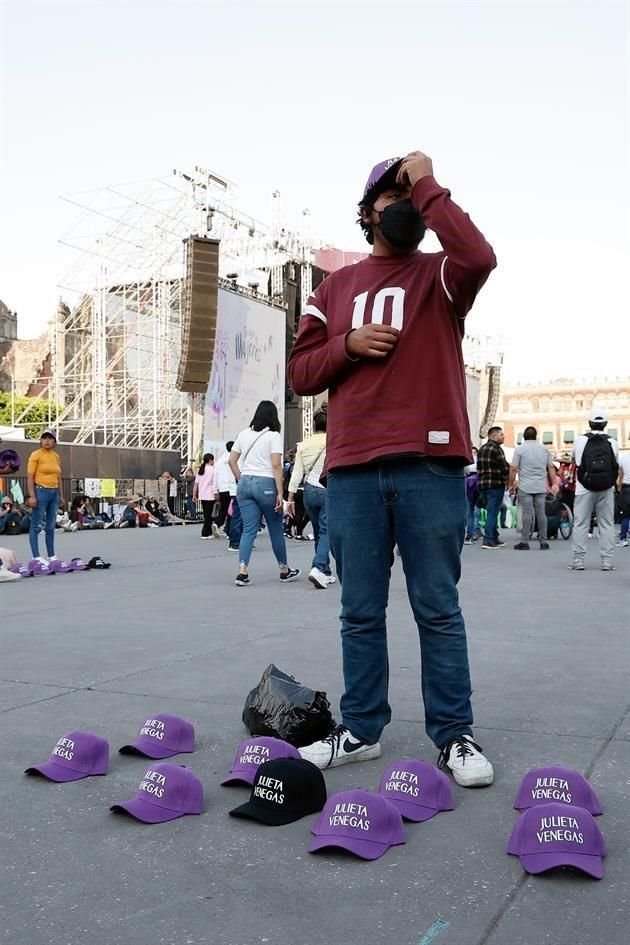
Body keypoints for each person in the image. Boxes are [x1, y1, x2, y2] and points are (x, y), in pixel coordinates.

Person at [287, 151, 496, 786]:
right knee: (359, 611)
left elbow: (481, 256)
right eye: (396, 196)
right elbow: (300, 373)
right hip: (351, 471)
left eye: (414, 196)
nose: (407, 206)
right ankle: (361, 729)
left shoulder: (442, 275)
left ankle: (455, 737)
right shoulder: (332, 289)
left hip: (430, 466)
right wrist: (345, 347)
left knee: (438, 608)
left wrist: (428, 181)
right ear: (368, 212)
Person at [228, 400, 300, 587]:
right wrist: (280, 492)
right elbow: (276, 464)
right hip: (266, 484)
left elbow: (232, 460)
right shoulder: (273, 436)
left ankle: (242, 571)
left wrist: (240, 478)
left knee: (248, 529)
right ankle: (284, 570)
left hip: (245, 483)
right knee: (275, 529)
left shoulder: (243, 434)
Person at [287, 406, 335, 588]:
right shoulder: (333, 441)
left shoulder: (303, 445)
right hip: (327, 489)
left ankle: (325, 572)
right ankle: (318, 567)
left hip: (308, 491)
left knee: (318, 531)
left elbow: (296, 474)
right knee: (326, 532)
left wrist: (290, 499)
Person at [569, 410, 619, 571]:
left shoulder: (580, 440)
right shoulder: (612, 441)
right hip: (606, 486)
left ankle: (578, 560)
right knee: (606, 524)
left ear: (589, 423)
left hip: (584, 487)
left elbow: (574, 460)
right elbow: (615, 464)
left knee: (581, 524)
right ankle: (607, 561)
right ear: (605, 425)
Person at [508, 426, 557, 550]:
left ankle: (524, 541)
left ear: (524, 436)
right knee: (541, 513)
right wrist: (554, 483)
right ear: (536, 436)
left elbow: (513, 468)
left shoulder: (520, 450)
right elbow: (551, 467)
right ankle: (543, 541)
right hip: (540, 485)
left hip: (525, 485)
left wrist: (511, 483)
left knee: (527, 512)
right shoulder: (544, 449)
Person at [26, 429, 62, 563]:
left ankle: (52, 555)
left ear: (54, 441)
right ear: (40, 441)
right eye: (44, 438)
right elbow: (30, 476)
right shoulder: (36, 455)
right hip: (40, 491)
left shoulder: (56, 456)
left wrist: (61, 495)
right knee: (36, 525)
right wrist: (32, 496)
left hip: (54, 493)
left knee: (51, 526)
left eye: (50, 438)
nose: (47, 441)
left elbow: (59, 477)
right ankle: (36, 556)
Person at [477, 427, 509, 549]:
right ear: (494, 436)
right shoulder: (497, 449)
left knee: (492, 511)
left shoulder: (481, 449)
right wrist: (508, 479)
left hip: (483, 484)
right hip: (495, 484)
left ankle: (494, 537)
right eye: (501, 434)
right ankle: (489, 539)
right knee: (493, 512)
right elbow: (504, 468)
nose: (503, 436)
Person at [193, 455, 218, 540]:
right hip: (210, 495)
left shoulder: (200, 470)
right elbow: (215, 483)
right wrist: (217, 493)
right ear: (210, 460)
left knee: (206, 514)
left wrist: (194, 495)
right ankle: (205, 533)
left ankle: (208, 532)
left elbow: (196, 484)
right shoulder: (213, 470)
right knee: (209, 515)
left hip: (202, 495)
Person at [214, 442, 236, 536]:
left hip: (223, 488)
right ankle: (229, 530)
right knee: (233, 510)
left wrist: (215, 490)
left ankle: (217, 523)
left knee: (224, 509)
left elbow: (215, 476)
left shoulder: (219, 461)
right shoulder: (236, 459)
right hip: (234, 488)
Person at [617, 450, 630, 547]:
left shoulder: (624, 459)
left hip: (626, 488)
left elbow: (621, 476)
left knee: (625, 515)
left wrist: (619, 489)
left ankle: (623, 538)